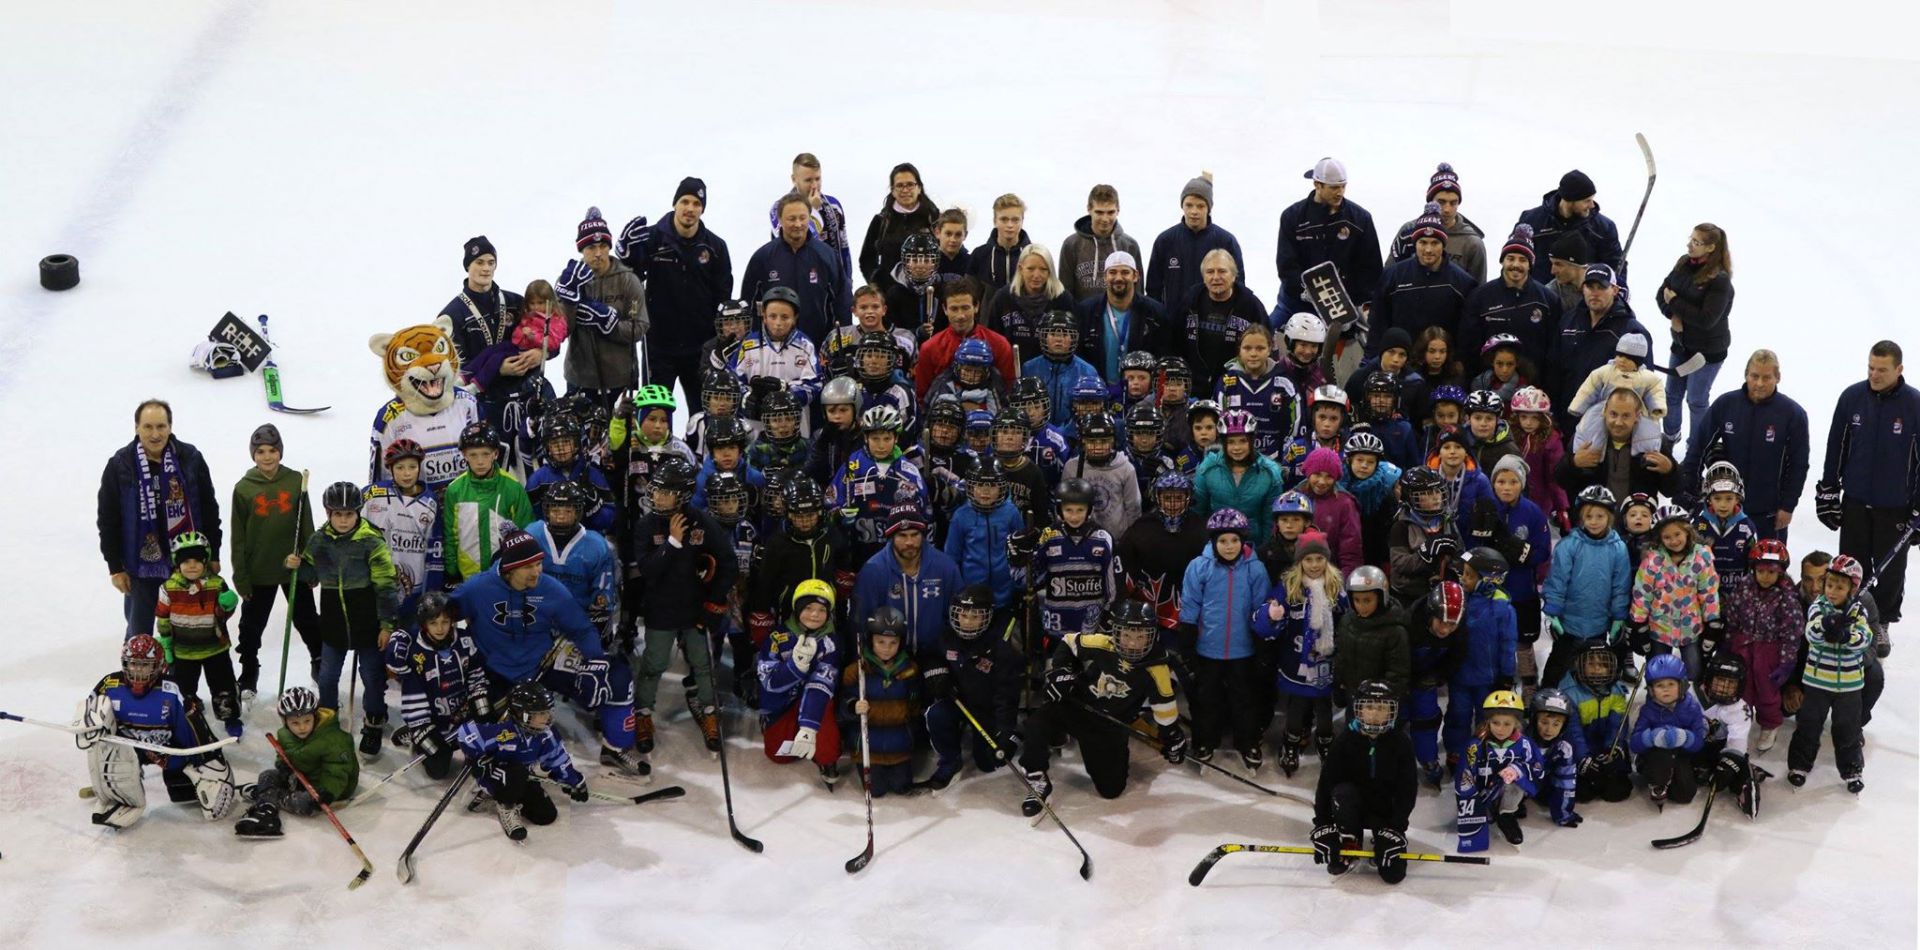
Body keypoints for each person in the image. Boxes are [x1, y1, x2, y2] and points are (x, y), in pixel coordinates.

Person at [452, 528, 643, 775]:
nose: (537, 571)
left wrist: (595, 661)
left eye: (539, 563)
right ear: (510, 569)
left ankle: (615, 748)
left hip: (542, 663)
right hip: (494, 672)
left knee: (616, 675)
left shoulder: (550, 588)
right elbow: (440, 617)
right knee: (483, 735)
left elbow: (582, 629)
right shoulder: (477, 588)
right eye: (528, 566)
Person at [1019, 600, 1186, 814]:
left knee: (1111, 789)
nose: (1132, 643)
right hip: (1077, 707)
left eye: (1140, 637)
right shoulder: (1103, 643)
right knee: (1037, 722)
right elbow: (1068, 642)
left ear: (1152, 636)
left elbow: (1165, 710)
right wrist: (1060, 671)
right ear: (1115, 632)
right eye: (1126, 635)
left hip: (1108, 727)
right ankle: (1037, 779)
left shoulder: (1158, 668)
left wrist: (1172, 737)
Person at [626, 455, 737, 758]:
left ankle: (710, 712)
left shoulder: (703, 522)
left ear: (684, 495)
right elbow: (648, 570)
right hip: (660, 609)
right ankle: (643, 713)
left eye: (666, 492)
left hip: (695, 610)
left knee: (703, 664)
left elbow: (728, 563)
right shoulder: (646, 525)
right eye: (657, 490)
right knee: (653, 665)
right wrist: (673, 543)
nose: (658, 497)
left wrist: (714, 601)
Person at [76, 633, 234, 828]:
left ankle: (186, 778)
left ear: (158, 666)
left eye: (145, 665)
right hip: (127, 749)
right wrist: (89, 729)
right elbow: (89, 715)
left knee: (181, 790)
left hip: (165, 750)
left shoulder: (171, 690)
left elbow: (194, 729)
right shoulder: (110, 684)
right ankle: (115, 787)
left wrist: (209, 761)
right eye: (133, 664)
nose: (137, 671)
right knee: (105, 752)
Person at [287, 482, 399, 755]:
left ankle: (374, 718)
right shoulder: (318, 540)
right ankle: (327, 718)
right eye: (337, 514)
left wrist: (386, 625)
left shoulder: (371, 540)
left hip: (367, 622)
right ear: (328, 513)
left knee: (372, 676)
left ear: (358, 512)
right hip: (333, 622)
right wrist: (296, 567)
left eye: (349, 514)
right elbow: (311, 577)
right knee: (326, 677)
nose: (343, 520)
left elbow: (386, 586)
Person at [1816, 339, 1920, 625]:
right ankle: (1850, 618)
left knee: (1890, 572)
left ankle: (1882, 622)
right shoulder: (1851, 398)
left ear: (1899, 369)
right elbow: (1835, 447)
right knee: (1851, 566)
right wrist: (1828, 491)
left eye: (1882, 370)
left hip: (1895, 506)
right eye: (1871, 368)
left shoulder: (1915, 405)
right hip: (1856, 502)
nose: (1874, 374)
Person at [99, 399, 222, 639]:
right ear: (136, 427)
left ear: (170, 427)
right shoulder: (120, 465)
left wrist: (214, 554)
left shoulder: (190, 458)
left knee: (186, 633)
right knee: (139, 636)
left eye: (161, 426)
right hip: (139, 566)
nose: (155, 434)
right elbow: (108, 520)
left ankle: (179, 666)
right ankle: (137, 665)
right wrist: (115, 567)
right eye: (148, 427)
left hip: (186, 562)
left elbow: (209, 509)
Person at [621, 177, 735, 403]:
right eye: (685, 201)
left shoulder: (716, 247)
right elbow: (632, 280)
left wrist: (717, 342)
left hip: (701, 349)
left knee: (704, 412)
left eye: (696, 204)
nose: (690, 208)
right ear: (675, 203)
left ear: (703, 209)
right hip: (658, 347)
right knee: (655, 412)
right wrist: (626, 256)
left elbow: (723, 297)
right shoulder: (651, 239)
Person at [228, 423, 318, 700]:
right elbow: (238, 537)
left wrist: (311, 564)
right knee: (251, 628)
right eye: (261, 452)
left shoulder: (295, 481)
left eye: (272, 450)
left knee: (307, 620)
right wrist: (241, 577)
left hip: (294, 567)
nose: (267, 457)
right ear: (253, 455)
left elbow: (307, 526)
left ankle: (319, 662)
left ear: (280, 452)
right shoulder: (244, 489)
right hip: (259, 570)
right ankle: (248, 671)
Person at [1179, 508, 1273, 769]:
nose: (1229, 546)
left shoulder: (1255, 569)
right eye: (1222, 541)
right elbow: (1190, 603)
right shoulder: (1199, 567)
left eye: (1234, 540)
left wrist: (1262, 644)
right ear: (1213, 541)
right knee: (1207, 698)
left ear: (1243, 541)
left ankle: (1248, 740)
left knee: (1245, 698)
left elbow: (1260, 607)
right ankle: (1205, 740)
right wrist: (1187, 637)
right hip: (1208, 648)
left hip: (1243, 650)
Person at [1684, 350, 1808, 541]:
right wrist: (1690, 488)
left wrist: (1788, 506)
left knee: (1768, 560)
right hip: (1724, 509)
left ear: (1778, 377)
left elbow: (1798, 465)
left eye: (1767, 377)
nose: (1759, 383)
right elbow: (1698, 448)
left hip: (1769, 513)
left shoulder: (1793, 414)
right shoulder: (1725, 405)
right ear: (1746, 374)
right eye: (1754, 376)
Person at [1311, 679, 1419, 882]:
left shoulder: (1401, 743)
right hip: (1354, 808)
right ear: (1359, 710)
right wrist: (1323, 826)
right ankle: (1349, 838)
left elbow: (1407, 792)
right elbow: (1325, 787)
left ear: (1392, 711)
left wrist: (1396, 828)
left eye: (1381, 708)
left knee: (1393, 875)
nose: (1375, 713)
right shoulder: (1344, 741)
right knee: (1342, 792)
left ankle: (1382, 837)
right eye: (1369, 707)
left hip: (1385, 813)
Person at [1255, 530, 1344, 775]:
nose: (1314, 565)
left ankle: (1325, 742)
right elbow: (1263, 622)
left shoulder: (1336, 587)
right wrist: (1270, 616)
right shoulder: (1288, 587)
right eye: (1308, 559)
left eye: (1319, 559)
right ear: (1299, 561)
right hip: (1296, 663)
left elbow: (1348, 619)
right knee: (1297, 708)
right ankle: (1291, 742)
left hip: (1326, 663)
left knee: (1324, 709)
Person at [456, 682, 589, 841]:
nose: (547, 718)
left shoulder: (547, 734)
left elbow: (558, 759)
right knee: (517, 772)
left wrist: (574, 780)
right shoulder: (503, 731)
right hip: (494, 775)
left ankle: (505, 794)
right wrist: (474, 758)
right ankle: (505, 805)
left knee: (546, 815)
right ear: (522, 714)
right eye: (541, 713)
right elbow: (465, 733)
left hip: (521, 776)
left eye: (547, 712)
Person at [440, 237, 544, 440]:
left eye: (491, 262)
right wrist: (498, 369)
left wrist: (541, 353)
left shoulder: (516, 302)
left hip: (527, 397)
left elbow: (550, 333)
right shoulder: (452, 315)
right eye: (479, 262)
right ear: (467, 266)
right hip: (484, 405)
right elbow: (453, 370)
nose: (486, 268)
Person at [921, 584, 1023, 789]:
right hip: (957, 701)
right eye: (963, 615)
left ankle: (1015, 735)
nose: (967, 622)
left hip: (986, 708)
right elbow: (930, 656)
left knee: (989, 762)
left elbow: (1007, 692)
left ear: (987, 616)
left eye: (975, 616)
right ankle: (950, 760)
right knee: (937, 715)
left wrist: (1005, 730)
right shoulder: (946, 637)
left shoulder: (999, 644)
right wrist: (937, 673)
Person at [1787, 555, 1874, 792]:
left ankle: (1851, 769)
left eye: (1839, 587)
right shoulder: (1819, 606)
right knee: (1809, 724)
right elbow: (1812, 634)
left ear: (1851, 589)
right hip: (1817, 682)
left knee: (1847, 728)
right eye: (1830, 585)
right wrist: (1827, 625)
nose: (1832, 591)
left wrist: (1846, 636)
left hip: (1849, 684)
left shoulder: (1858, 611)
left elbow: (1865, 639)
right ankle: (1799, 765)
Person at [1275, 158, 1384, 342]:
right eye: (1334, 187)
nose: (1340, 192)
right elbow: (1286, 265)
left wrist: (1354, 306)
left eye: (1343, 186)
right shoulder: (1292, 217)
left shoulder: (1361, 219)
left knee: (1371, 348)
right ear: (1317, 185)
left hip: (1342, 309)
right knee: (1265, 333)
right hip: (1296, 303)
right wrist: (1305, 291)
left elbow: (1371, 270)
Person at [380, 592, 487, 779]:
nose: (440, 628)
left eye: (445, 622)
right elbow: (413, 698)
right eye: (433, 623)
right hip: (431, 723)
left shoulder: (463, 641)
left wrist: (479, 698)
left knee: (485, 748)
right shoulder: (417, 654)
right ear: (424, 624)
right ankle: (414, 735)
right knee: (438, 768)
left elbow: (475, 673)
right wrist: (421, 728)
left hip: (462, 717)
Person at [1540, 485, 1633, 691]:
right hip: (1568, 622)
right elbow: (1557, 580)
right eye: (1589, 516)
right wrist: (1553, 612)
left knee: (1594, 667)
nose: (1594, 521)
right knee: (1558, 664)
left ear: (1609, 517)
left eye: (1600, 516)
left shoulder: (1618, 548)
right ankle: (1547, 695)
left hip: (1599, 623)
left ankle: (1593, 698)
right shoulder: (1569, 545)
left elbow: (1620, 586)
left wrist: (1618, 617)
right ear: (1581, 517)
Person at [233, 687, 357, 837]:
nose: (302, 727)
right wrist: (283, 765)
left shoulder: (334, 739)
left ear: (315, 716)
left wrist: (328, 792)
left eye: (307, 721)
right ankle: (267, 807)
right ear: (285, 721)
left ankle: (268, 794)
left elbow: (337, 772)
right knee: (267, 775)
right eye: (295, 723)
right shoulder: (285, 734)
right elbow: (283, 754)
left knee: (305, 804)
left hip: (329, 789)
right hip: (303, 778)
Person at [557, 207, 647, 411]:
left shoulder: (628, 279)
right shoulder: (569, 279)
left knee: (621, 432)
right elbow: (561, 331)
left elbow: (640, 328)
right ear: (581, 250)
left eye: (603, 246)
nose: (598, 253)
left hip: (622, 379)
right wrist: (569, 301)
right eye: (591, 247)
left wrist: (609, 325)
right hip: (580, 379)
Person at [154, 530, 242, 739]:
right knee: (184, 688)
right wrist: (166, 643)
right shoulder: (168, 588)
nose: (192, 566)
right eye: (186, 561)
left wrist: (228, 605)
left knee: (223, 686)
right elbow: (163, 617)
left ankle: (229, 716)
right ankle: (189, 713)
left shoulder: (216, 583)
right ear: (177, 563)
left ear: (205, 561)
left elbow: (221, 615)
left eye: (196, 561)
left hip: (215, 648)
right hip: (183, 651)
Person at [851, 505, 964, 665]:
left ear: (923, 534)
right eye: (902, 535)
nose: (909, 542)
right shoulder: (873, 570)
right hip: (888, 659)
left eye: (915, 534)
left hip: (935, 657)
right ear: (891, 536)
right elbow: (861, 621)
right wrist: (860, 659)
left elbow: (957, 616)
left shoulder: (946, 567)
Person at [1658, 223, 1735, 450]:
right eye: (1690, 239)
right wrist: (1673, 315)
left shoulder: (1719, 279)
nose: (1689, 245)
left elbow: (1706, 319)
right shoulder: (1683, 263)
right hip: (1681, 344)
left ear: (1711, 247)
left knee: (1696, 399)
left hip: (1707, 352)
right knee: (1671, 395)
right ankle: (1670, 436)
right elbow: (1661, 293)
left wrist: (1675, 302)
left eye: (1696, 242)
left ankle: (1697, 447)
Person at [758, 580, 844, 784]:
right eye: (808, 608)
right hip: (782, 704)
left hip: (813, 702)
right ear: (797, 609)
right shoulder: (776, 637)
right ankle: (777, 726)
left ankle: (826, 757)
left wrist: (809, 728)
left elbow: (821, 685)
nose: (814, 614)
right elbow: (768, 682)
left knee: (824, 704)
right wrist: (795, 667)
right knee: (779, 756)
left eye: (821, 610)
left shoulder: (831, 642)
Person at [1547, 263, 1649, 434]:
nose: (1594, 293)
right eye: (1590, 287)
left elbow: (1643, 386)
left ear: (1615, 290)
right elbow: (1553, 370)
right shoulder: (1568, 322)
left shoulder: (1632, 332)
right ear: (1583, 289)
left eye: (1601, 287)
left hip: (1608, 426)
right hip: (1566, 419)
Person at [1723, 540, 1802, 753]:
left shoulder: (1787, 596)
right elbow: (1732, 617)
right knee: (1742, 687)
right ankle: (1739, 721)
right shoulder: (1743, 588)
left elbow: (1792, 631)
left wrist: (1786, 662)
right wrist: (1728, 644)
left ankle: (1769, 723)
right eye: (1761, 571)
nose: (1765, 576)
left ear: (1781, 572)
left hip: (1769, 649)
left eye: (1771, 572)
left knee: (1767, 689)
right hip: (1743, 646)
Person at [1629, 504, 1722, 681]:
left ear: (1687, 532)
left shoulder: (1701, 557)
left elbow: (1708, 592)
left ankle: (1688, 695)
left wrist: (1712, 621)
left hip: (1690, 628)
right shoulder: (1653, 561)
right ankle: (1656, 693)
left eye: (1677, 534)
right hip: (1660, 628)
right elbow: (1642, 594)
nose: (1674, 540)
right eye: (1667, 537)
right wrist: (1638, 624)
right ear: (1659, 538)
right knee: (1658, 672)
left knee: (1694, 672)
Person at [1443, 549, 1519, 766]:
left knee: (1486, 719)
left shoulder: (1502, 608)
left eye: (1469, 575)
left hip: (1488, 678)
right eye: (1464, 573)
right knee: (1458, 714)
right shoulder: (1460, 599)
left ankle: (1483, 751)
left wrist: (1506, 675)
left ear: (1487, 579)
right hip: (1460, 675)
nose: (1463, 579)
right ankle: (1456, 751)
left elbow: (1508, 644)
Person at [744, 193, 849, 347]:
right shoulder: (763, 257)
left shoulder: (827, 255)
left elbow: (842, 301)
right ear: (780, 220)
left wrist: (842, 341)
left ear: (809, 218)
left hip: (818, 345)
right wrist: (754, 342)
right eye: (791, 219)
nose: (798, 224)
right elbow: (748, 304)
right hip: (772, 347)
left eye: (802, 218)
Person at [1371, 203, 1476, 354]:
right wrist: (1372, 357)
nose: (1428, 249)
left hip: (1442, 362)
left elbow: (1467, 332)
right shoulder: (1392, 276)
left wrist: (1459, 361)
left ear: (1443, 244)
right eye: (1423, 242)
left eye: (1435, 243)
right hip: (1401, 360)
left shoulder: (1463, 283)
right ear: (1415, 244)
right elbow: (1377, 325)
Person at [840, 608, 922, 798]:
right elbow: (843, 703)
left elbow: (916, 705)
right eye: (880, 642)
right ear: (870, 640)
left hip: (899, 746)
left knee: (902, 786)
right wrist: (853, 706)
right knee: (876, 790)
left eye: (893, 642)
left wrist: (911, 723)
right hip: (869, 747)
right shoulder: (856, 670)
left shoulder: (910, 670)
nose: (887, 648)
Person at [1458, 225, 1560, 376]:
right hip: (1489, 383)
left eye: (1522, 260)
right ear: (1502, 261)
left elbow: (1554, 350)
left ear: (1530, 264)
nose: (1516, 265)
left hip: (1533, 383)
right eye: (1510, 259)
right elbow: (1468, 345)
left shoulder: (1548, 300)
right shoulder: (1480, 297)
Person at [440, 423, 533, 586]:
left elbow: (525, 531)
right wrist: (452, 571)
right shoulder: (454, 490)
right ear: (464, 455)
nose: (480, 461)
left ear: (495, 454)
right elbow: (450, 535)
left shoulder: (513, 487)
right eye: (473, 455)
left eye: (485, 454)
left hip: (505, 575)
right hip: (467, 577)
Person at [1454, 690, 1543, 851]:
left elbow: (1538, 769)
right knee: (1483, 813)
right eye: (1496, 723)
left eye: (1507, 724)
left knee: (1516, 783)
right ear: (1488, 721)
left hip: (1509, 790)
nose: (1501, 729)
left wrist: (1517, 770)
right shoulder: (1476, 745)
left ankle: (1506, 814)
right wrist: (1470, 803)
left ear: (1517, 723)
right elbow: (1464, 774)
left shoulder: (1525, 745)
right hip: (1482, 793)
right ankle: (1488, 808)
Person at [1147, 172, 1245, 316]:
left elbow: (1239, 285)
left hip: (1214, 322)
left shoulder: (1226, 241)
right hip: (1174, 323)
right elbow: (1153, 289)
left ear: (1208, 208)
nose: (1194, 211)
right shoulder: (1165, 241)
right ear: (1182, 206)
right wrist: (1158, 320)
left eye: (1200, 206)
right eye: (1189, 205)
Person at [1556, 390, 1681, 501]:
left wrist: (1670, 470)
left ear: (1637, 416)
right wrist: (1573, 463)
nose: (1618, 422)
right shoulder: (1586, 438)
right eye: (1613, 414)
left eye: (1626, 416)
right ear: (1604, 412)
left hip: (1635, 518)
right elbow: (1561, 481)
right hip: (1594, 518)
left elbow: (1673, 491)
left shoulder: (1654, 443)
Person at [1176, 249, 1266, 397]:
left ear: (1234, 275)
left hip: (1236, 387)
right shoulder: (1190, 301)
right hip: (1193, 388)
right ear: (1203, 277)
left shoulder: (1251, 305)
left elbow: (1266, 346)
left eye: (1222, 271)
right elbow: (1175, 342)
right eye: (1210, 272)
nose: (1216, 277)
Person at [1514, 170, 1625, 284]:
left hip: (1583, 294)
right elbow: (1514, 258)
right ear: (1570, 200)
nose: (1592, 205)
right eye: (1587, 201)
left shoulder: (1604, 228)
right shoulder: (1531, 221)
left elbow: (1616, 266)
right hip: (1539, 293)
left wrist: (1620, 289)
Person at [1075, 251, 1170, 382]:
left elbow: (1163, 357)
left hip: (1139, 391)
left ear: (1135, 276)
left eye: (1125, 272)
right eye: (1112, 272)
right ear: (1105, 277)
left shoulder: (1155, 313)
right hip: (1096, 389)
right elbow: (1079, 356)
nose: (1118, 278)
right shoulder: (1086, 311)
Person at [1629, 653, 1708, 809]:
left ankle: (1672, 777)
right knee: (1661, 759)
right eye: (1659, 685)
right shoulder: (1647, 710)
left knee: (1685, 794)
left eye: (1671, 684)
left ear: (1682, 685)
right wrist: (1651, 737)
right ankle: (1656, 780)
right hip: (1655, 755)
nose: (1666, 689)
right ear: (1651, 689)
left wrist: (1685, 737)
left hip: (1680, 755)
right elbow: (1634, 743)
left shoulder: (1692, 708)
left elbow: (1699, 741)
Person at [915, 277, 1017, 398]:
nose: (960, 316)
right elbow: (922, 396)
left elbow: (1009, 391)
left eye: (965, 308)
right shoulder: (930, 348)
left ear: (976, 307)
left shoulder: (999, 344)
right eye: (954, 309)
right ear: (945, 309)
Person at [1387, 163, 1488, 283]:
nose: (1447, 209)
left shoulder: (1472, 243)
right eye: (1441, 202)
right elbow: (1388, 276)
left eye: (1453, 203)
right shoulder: (1408, 231)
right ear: (1430, 201)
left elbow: (1478, 289)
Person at [942, 458, 1023, 608]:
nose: (985, 491)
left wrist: (1018, 586)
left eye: (992, 485)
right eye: (979, 485)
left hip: (1005, 592)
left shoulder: (1011, 513)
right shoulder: (961, 516)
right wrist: (958, 590)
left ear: (1002, 487)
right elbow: (952, 557)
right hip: (971, 594)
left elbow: (1020, 552)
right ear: (970, 487)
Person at [1566, 333, 1665, 453]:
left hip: (1635, 411)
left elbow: (1656, 390)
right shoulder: (1606, 371)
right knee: (1590, 425)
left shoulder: (1646, 377)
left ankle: (1645, 455)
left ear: (1638, 361)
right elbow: (1589, 388)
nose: (1622, 360)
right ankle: (1589, 452)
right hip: (1605, 408)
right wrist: (1578, 406)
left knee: (1648, 430)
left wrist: (1657, 408)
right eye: (1619, 355)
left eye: (1628, 358)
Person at [1561, 640, 1632, 803]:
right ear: (1579, 665)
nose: (1597, 669)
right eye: (1591, 664)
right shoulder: (1568, 693)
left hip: (1605, 747)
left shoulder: (1617, 690)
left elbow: (1617, 725)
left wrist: (1613, 748)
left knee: (1617, 792)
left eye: (1602, 664)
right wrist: (1583, 758)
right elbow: (1573, 732)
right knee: (1582, 794)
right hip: (1581, 748)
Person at [1695, 652, 1764, 817]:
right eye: (1720, 680)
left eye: (1731, 683)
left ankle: (1745, 784)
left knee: (1735, 765)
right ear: (1709, 679)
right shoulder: (1689, 693)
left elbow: (1737, 741)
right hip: (1693, 745)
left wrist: (1728, 764)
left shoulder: (1740, 708)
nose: (1725, 687)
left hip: (1720, 748)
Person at [768, 153, 853, 283]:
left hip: (831, 281)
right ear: (794, 179)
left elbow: (844, 248)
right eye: (808, 180)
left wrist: (848, 281)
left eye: (817, 179)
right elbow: (797, 242)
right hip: (794, 281)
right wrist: (811, 210)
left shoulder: (833, 206)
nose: (814, 185)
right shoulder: (779, 209)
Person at [524, 415, 616, 533]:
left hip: (586, 540)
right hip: (550, 541)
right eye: (555, 444)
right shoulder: (536, 481)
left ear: (576, 444)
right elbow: (531, 523)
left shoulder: (593, 475)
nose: (561, 449)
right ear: (547, 448)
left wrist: (595, 508)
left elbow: (609, 520)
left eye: (566, 442)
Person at [1333, 565, 1412, 699]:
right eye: (1356, 600)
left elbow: (1398, 673)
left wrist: (1381, 695)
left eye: (1367, 600)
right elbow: (1341, 658)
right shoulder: (1346, 621)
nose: (1362, 606)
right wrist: (1338, 686)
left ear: (1381, 598)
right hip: (1353, 696)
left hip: (1380, 702)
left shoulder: (1395, 631)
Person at [985, 244, 1075, 359]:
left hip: (1051, 366)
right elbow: (992, 338)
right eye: (1030, 269)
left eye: (1043, 269)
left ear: (1050, 271)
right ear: (1020, 269)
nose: (1036, 275)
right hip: (1010, 366)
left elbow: (1073, 340)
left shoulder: (1062, 299)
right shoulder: (1003, 297)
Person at [1059, 183, 1144, 303]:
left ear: (1118, 210)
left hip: (1121, 314)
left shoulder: (1130, 246)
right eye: (1099, 212)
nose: (1105, 219)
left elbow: (1138, 291)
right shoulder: (1071, 245)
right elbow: (1065, 292)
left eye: (1110, 212)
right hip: (1083, 313)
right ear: (1089, 209)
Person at [858, 162, 940, 284]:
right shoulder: (881, 221)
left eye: (910, 185)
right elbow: (867, 259)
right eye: (900, 185)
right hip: (889, 291)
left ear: (919, 188)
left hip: (928, 289)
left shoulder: (933, 217)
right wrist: (877, 284)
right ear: (892, 190)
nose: (905, 190)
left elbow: (945, 251)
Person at [1508, 388, 1569, 531]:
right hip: (1511, 496)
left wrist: (1561, 507)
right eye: (1523, 417)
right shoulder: (1510, 436)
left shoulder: (1551, 441)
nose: (1528, 422)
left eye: (1534, 418)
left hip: (1540, 501)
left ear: (1543, 418)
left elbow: (1555, 477)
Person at [1524, 688, 1584, 830]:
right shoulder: (1521, 742)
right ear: (1533, 719)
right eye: (1544, 722)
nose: (1549, 729)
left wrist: (1563, 814)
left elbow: (1566, 782)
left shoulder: (1564, 747)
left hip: (1543, 780)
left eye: (1556, 724)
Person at [1694, 462, 1759, 585]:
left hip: (1739, 590)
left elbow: (1754, 562)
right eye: (1717, 498)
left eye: (1729, 498)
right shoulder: (1698, 524)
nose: (1723, 504)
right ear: (1709, 498)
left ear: (1737, 498)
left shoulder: (1747, 527)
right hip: (1706, 590)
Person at [970, 193, 1032, 292]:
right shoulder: (979, 255)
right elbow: (969, 294)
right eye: (1004, 219)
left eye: (1015, 220)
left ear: (1022, 221)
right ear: (995, 221)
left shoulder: (1034, 255)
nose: (1010, 225)